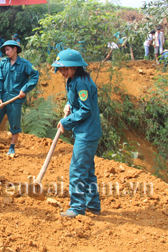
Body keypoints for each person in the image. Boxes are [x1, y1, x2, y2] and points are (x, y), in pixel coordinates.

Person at [51, 49, 102, 218]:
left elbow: (86, 109)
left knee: (77, 169)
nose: (63, 72)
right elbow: (77, 101)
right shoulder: (73, 80)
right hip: (83, 131)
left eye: (66, 68)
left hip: (87, 133)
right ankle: (93, 205)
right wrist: (69, 105)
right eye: (61, 69)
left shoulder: (82, 83)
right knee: (87, 170)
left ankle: (77, 207)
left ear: (76, 67)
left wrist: (66, 121)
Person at [0, 40, 39, 156]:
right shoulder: (3, 63)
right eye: (5, 50)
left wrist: (24, 89)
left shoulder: (25, 64)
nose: (6, 52)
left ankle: (12, 147)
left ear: (15, 49)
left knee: (15, 124)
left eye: (8, 49)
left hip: (15, 99)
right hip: (2, 99)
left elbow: (35, 75)